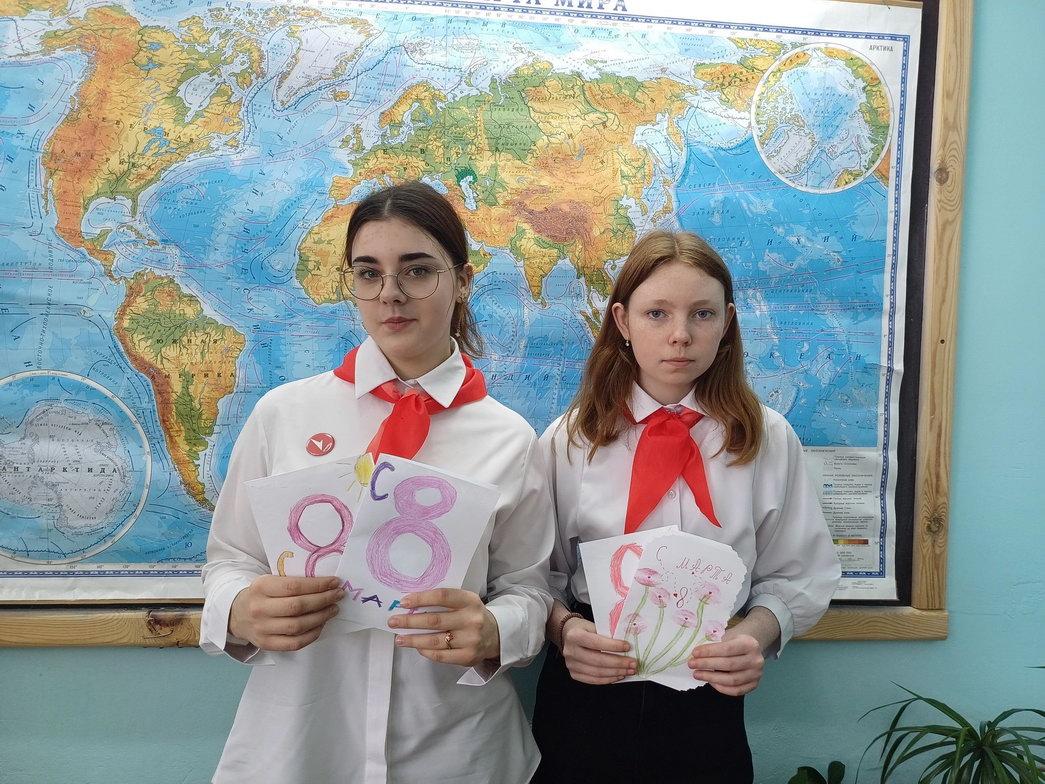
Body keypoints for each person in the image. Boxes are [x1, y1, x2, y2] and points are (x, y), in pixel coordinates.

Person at [200, 181, 555, 784]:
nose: (391, 293)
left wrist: (496, 629)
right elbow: (230, 560)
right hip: (303, 745)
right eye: (368, 273)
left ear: (462, 281)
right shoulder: (284, 415)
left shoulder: (509, 439)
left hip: (453, 749)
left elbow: (530, 590)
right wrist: (239, 609)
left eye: (417, 271)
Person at [531, 230, 841, 783]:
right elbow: (534, 576)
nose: (680, 335)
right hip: (590, 685)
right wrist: (564, 633)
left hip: (706, 689)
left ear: (727, 323)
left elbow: (799, 573)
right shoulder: (570, 440)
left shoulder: (766, 439)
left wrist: (755, 635)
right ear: (623, 322)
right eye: (657, 314)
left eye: (702, 314)